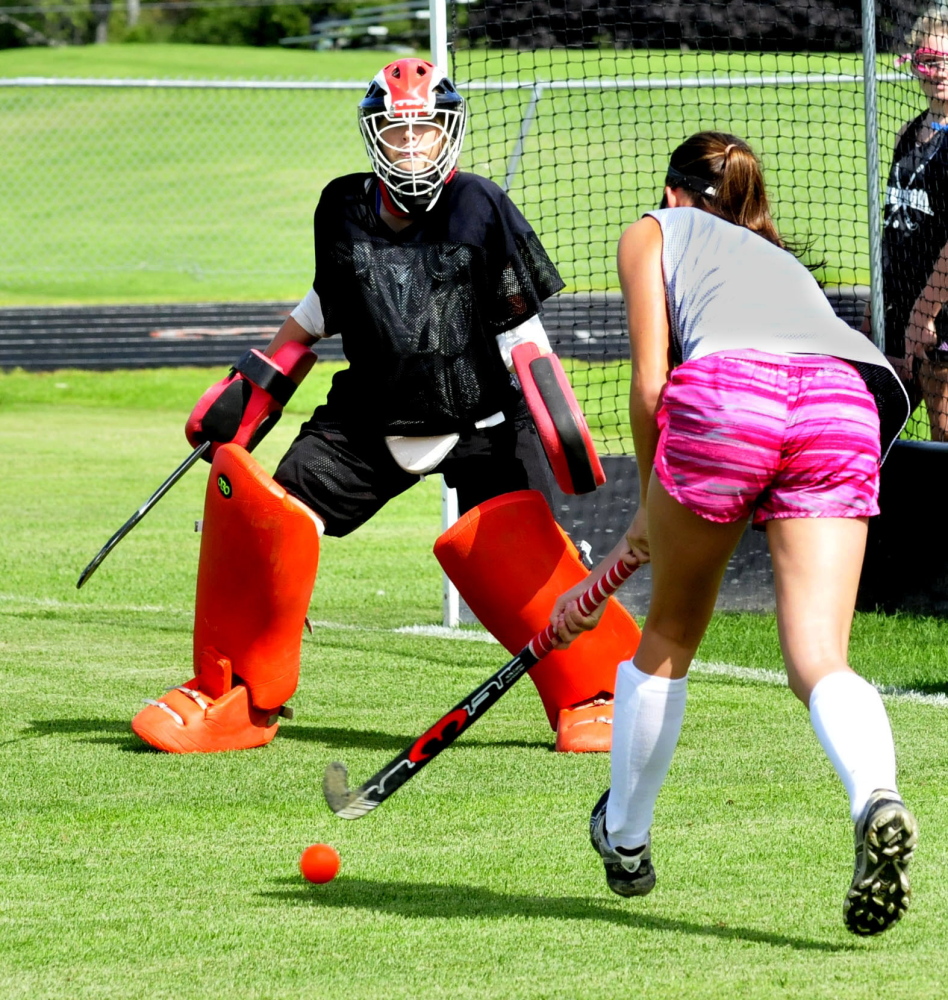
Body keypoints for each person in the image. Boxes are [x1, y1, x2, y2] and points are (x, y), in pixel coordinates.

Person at [130, 58, 628, 757]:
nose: (414, 145)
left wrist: (563, 431)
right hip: (367, 420)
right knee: (262, 523)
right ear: (375, 138)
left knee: (524, 560)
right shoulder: (340, 207)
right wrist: (252, 391)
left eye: (426, 131)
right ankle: (235, 695)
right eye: (400, 133)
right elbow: (317, 313)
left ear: (448, 133)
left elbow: (523, 334)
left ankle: (595, 694)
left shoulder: (480, 206)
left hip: (482, 420)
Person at [551, 131, 918, 936]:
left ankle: (625, 838)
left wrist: (645, 506)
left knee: (671, 635)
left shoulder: (652, 230)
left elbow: (651, 386)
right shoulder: (776, 257)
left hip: (730, 395)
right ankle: (875, 795)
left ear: (675, 193)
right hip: (841, 401)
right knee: (820, 656)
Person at [884, 5, 948, 439]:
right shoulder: (910, 133)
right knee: (880, 438)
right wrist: (885, 310)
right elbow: (892, 224)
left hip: (939, 313)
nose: (937, 71)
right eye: (928, 60)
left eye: (945, 61)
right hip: (903, 307)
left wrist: (925, 312)